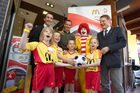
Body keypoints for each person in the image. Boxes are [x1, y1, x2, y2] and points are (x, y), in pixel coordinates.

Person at [19, 23, 73, 93]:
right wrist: (26, 31)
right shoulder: (37, 44)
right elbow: (22, 46)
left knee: (49, 90)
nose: (49, 33)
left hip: (51, 70)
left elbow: (56, 62)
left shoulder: (53, 48)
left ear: (51, 36)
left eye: (50, 32)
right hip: (40, 69)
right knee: (36, 91)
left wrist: (69, 64)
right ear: (42, 34)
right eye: (46, 31)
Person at [97, 15, 126, 93]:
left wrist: (109, 48)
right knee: (105, 85)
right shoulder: (99, 34)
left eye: (103, 21)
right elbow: (98, 47)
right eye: (100, 21)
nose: (101, 23)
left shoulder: (118, 30)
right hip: (103, 62)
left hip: (115, 61)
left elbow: (123, 43)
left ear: (109, 21)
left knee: (117, 85)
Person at [28, 13, 54, 93]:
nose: (49, 19)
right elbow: (31, 42)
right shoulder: (37, 29)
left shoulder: (52, 32)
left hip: (48, 64)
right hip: (38, 62)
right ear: (44, 19)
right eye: (48, 17)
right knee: (35, 84)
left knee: (46, 86)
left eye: (51, 18)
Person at [58, 19, 75, 93]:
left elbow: (73, 46)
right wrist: (62, 51)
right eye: (67, 24)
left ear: (71, 26)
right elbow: (56, 44)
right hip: (60, 56)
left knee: (67, 80)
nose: (68, 26)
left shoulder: (72, 36)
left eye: (69, 25)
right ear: (64, 25)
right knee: (60, 77)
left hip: (69, 57)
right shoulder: (60, 33)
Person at [75, 23, 92, 93]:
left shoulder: (91, 38)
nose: (83, 30)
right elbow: (75, 49)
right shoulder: (77, 39)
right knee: (82, 80)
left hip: (89, 62)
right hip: (80, 63)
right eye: (82, 29)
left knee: (90, 80)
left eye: (84, 29)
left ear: (87, 30)